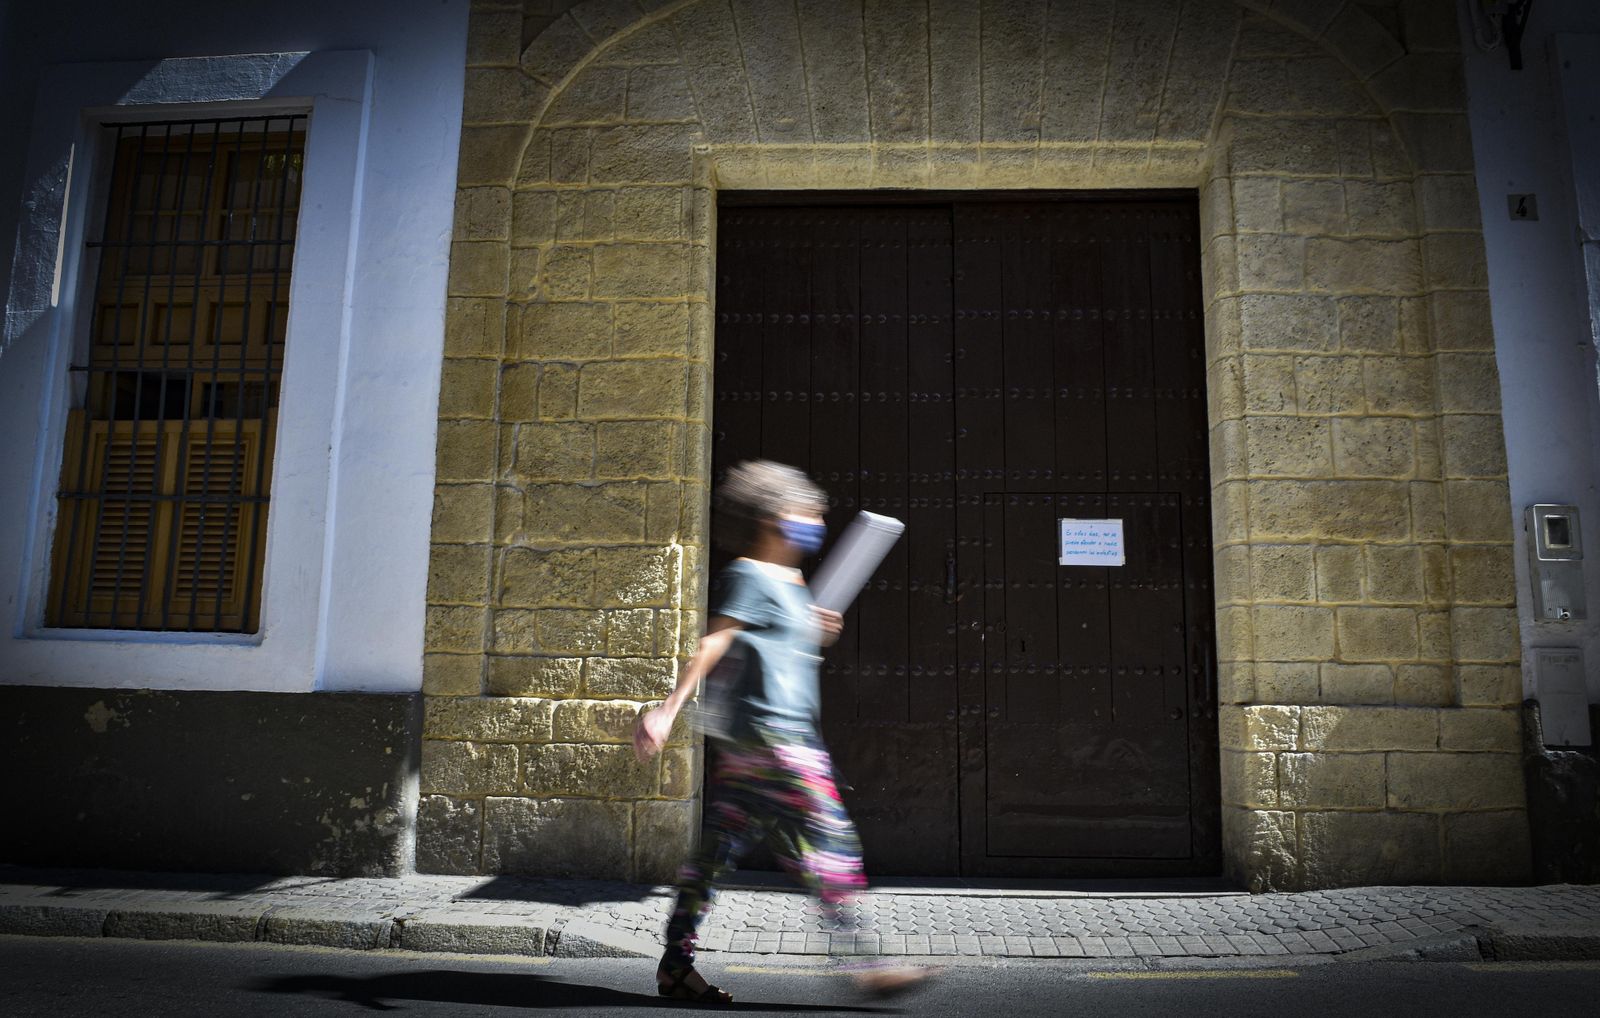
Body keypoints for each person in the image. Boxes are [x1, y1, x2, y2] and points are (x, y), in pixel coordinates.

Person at [632, 459, 930, 1004]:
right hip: (776, 737)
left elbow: (779, 645)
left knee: (715, 853)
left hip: (755, 741)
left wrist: (815, 630)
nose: (815, 523)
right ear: (772, 517)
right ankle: (865, 964)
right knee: (829, 837)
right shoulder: (747, 572)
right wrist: (668, 708)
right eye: (805, 514)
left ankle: (676, 965)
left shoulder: (791, 581)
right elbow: (714, 641)